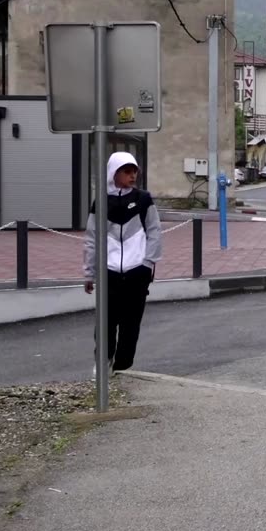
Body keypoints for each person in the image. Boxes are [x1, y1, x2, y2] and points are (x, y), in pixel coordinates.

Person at [83, 152, 162, 378]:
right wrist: (89, 272)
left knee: (131, 323)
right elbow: (91, 238)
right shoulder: (101, 201)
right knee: (105, 322)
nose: (132, 175)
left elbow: (155, 232)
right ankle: (103, 361)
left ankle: (122, 366)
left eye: (134, 170)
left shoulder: (144, 199)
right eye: (127, 171)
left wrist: (148, 263)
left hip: (137, 271)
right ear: (113, 172)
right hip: (108, 272)